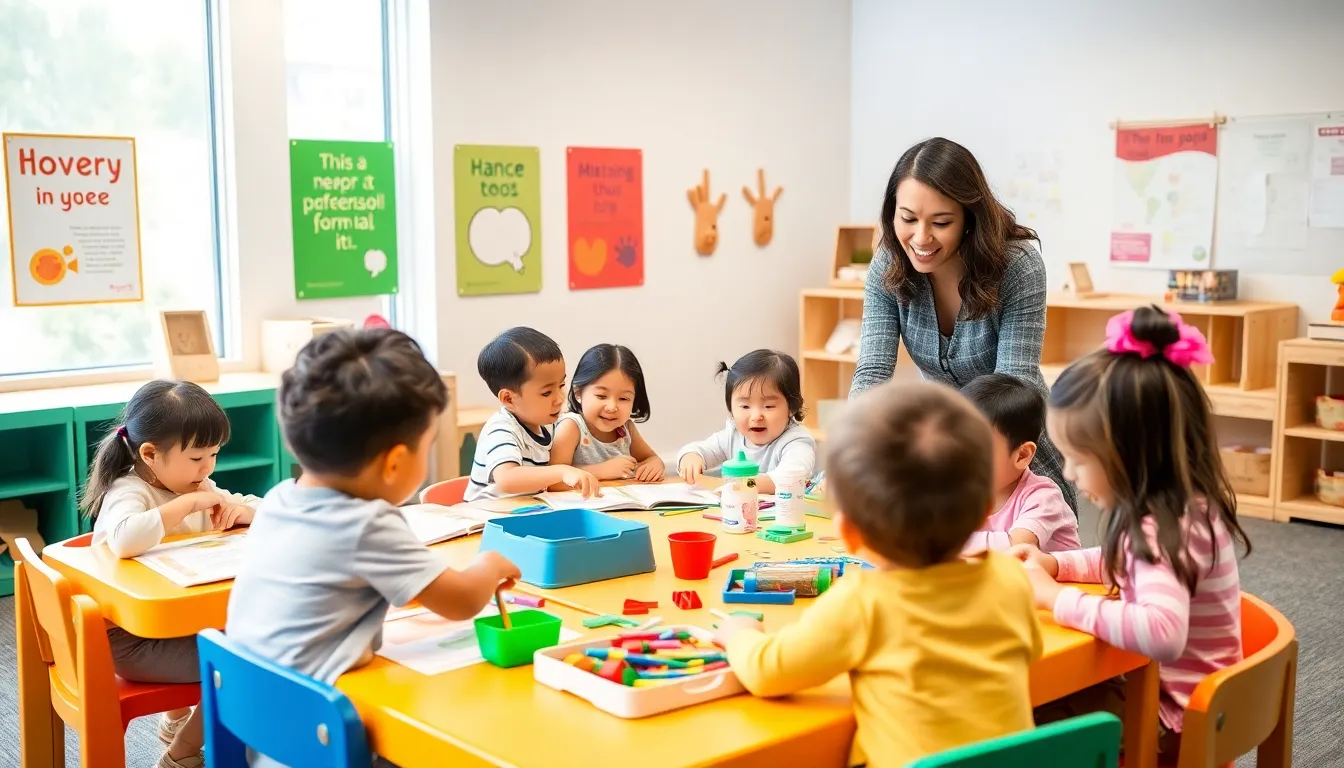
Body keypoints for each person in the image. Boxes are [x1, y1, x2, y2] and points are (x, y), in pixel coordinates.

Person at [227, 328, 521, 768]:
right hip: (320, 745)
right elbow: (460, 602)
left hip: (263, 732)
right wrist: (489, 564)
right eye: (426, 447)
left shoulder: (280, 499)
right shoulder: (367, 522)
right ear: (395, 463)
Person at [716, 380, 1042, 768]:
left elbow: (767, 672)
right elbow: (1030, 652)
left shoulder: (862, 602)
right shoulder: (1011, 579)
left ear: (850, 535)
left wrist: (740, 634)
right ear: (985, 509)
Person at [1013, 306, 1253, 756]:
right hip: (1192, 702)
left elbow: (1162, 632)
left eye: (1079, 460)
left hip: (1173, 720)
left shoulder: (1163, 528)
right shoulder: (1180, 507)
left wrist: (1056, 598)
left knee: (1020, 709)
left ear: (1131, 454)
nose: (1069, 473)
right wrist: (1054, 564)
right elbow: (1122, 558)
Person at [849, 136, 1075, 512]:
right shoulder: (888, 267)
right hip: (947, 450)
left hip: (1013, 450)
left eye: (940, 222)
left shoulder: (1017, 267)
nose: (920, 238)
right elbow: (872, 373)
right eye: (907, 219)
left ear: (970, 218)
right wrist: (849, 455)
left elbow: (1012, 386)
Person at [81, 380, 257, 768]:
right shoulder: (129, 491)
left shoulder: (194, 482)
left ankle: (178, 718)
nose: (208, 467)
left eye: (213, 454)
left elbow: (246, 505)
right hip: (131, 641)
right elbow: (125, 538)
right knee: (245, 663)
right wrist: (190, 502)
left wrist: (244, 512)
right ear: (150, 454)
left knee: (251, 635)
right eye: (197, 458)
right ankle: (181, 754)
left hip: (174, 626)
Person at [465, 327, 598, 501]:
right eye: (546, 393)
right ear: (509, 399)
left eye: (561, 386)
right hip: (486, 519)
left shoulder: (548, 423)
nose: (559, 399)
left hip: (526, 512)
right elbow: (507, 479)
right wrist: (561, 471)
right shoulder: (501, 429)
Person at [961, 373, 1079, 553]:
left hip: (1060, 581)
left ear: (1022, 455)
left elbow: (1017, 547)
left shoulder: (1043, 496)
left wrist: (945, 542)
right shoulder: (963, 494)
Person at [676, 349, 815, 494]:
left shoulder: (796, 441)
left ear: (792, 407)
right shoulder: (733, 435)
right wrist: (691, 457)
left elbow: (791, 477)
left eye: (768, 406)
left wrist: (743, 485)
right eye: (745, 406)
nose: (756, 416)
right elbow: (700, 449)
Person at [550, 343, 664, 483]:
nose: (612, 407)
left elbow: (651, 458)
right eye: (601, 396)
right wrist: (602, 470)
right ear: (578, 392)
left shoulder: (626, 428)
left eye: (623, 398)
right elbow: (553, 480)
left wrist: (655, 464)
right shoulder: (572, 426)